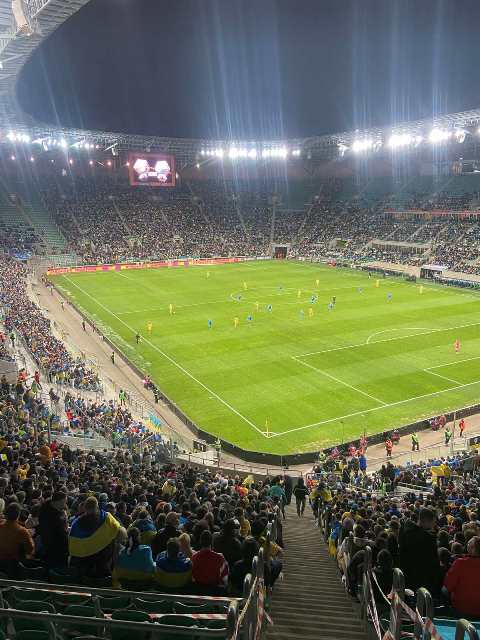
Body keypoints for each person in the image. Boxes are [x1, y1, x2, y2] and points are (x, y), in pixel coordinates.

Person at [399, 507, 441, 595]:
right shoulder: (428, 538)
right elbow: (434, 563)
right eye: (433, 523)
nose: (433, 525)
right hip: (423, 579)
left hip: (407, 576)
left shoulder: (404, 532)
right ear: (426, 521)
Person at [443, 536, 480, 616]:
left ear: (472, 548)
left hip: (462, 608)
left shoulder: (460, 563)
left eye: (468, 543)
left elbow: (448, 585)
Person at [0, 502, 35, 574]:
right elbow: (30, 550)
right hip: (13, 566)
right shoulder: (22, 531)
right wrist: (29, 535)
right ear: (18, 515)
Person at [37, 490, 69, 569]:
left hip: (46, 541)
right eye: (64, 502)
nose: (65, 504)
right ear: (57, 502)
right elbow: (62, 533)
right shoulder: (55, 517)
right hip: (55, 545)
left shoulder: (45, 507)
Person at [192, 530, 228, 595]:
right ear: (211, 542)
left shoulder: (194, 557)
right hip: (215, 593)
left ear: (200, 542)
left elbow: (192, 577)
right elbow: (225, 579)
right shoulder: (220, 557)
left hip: (198, 592)